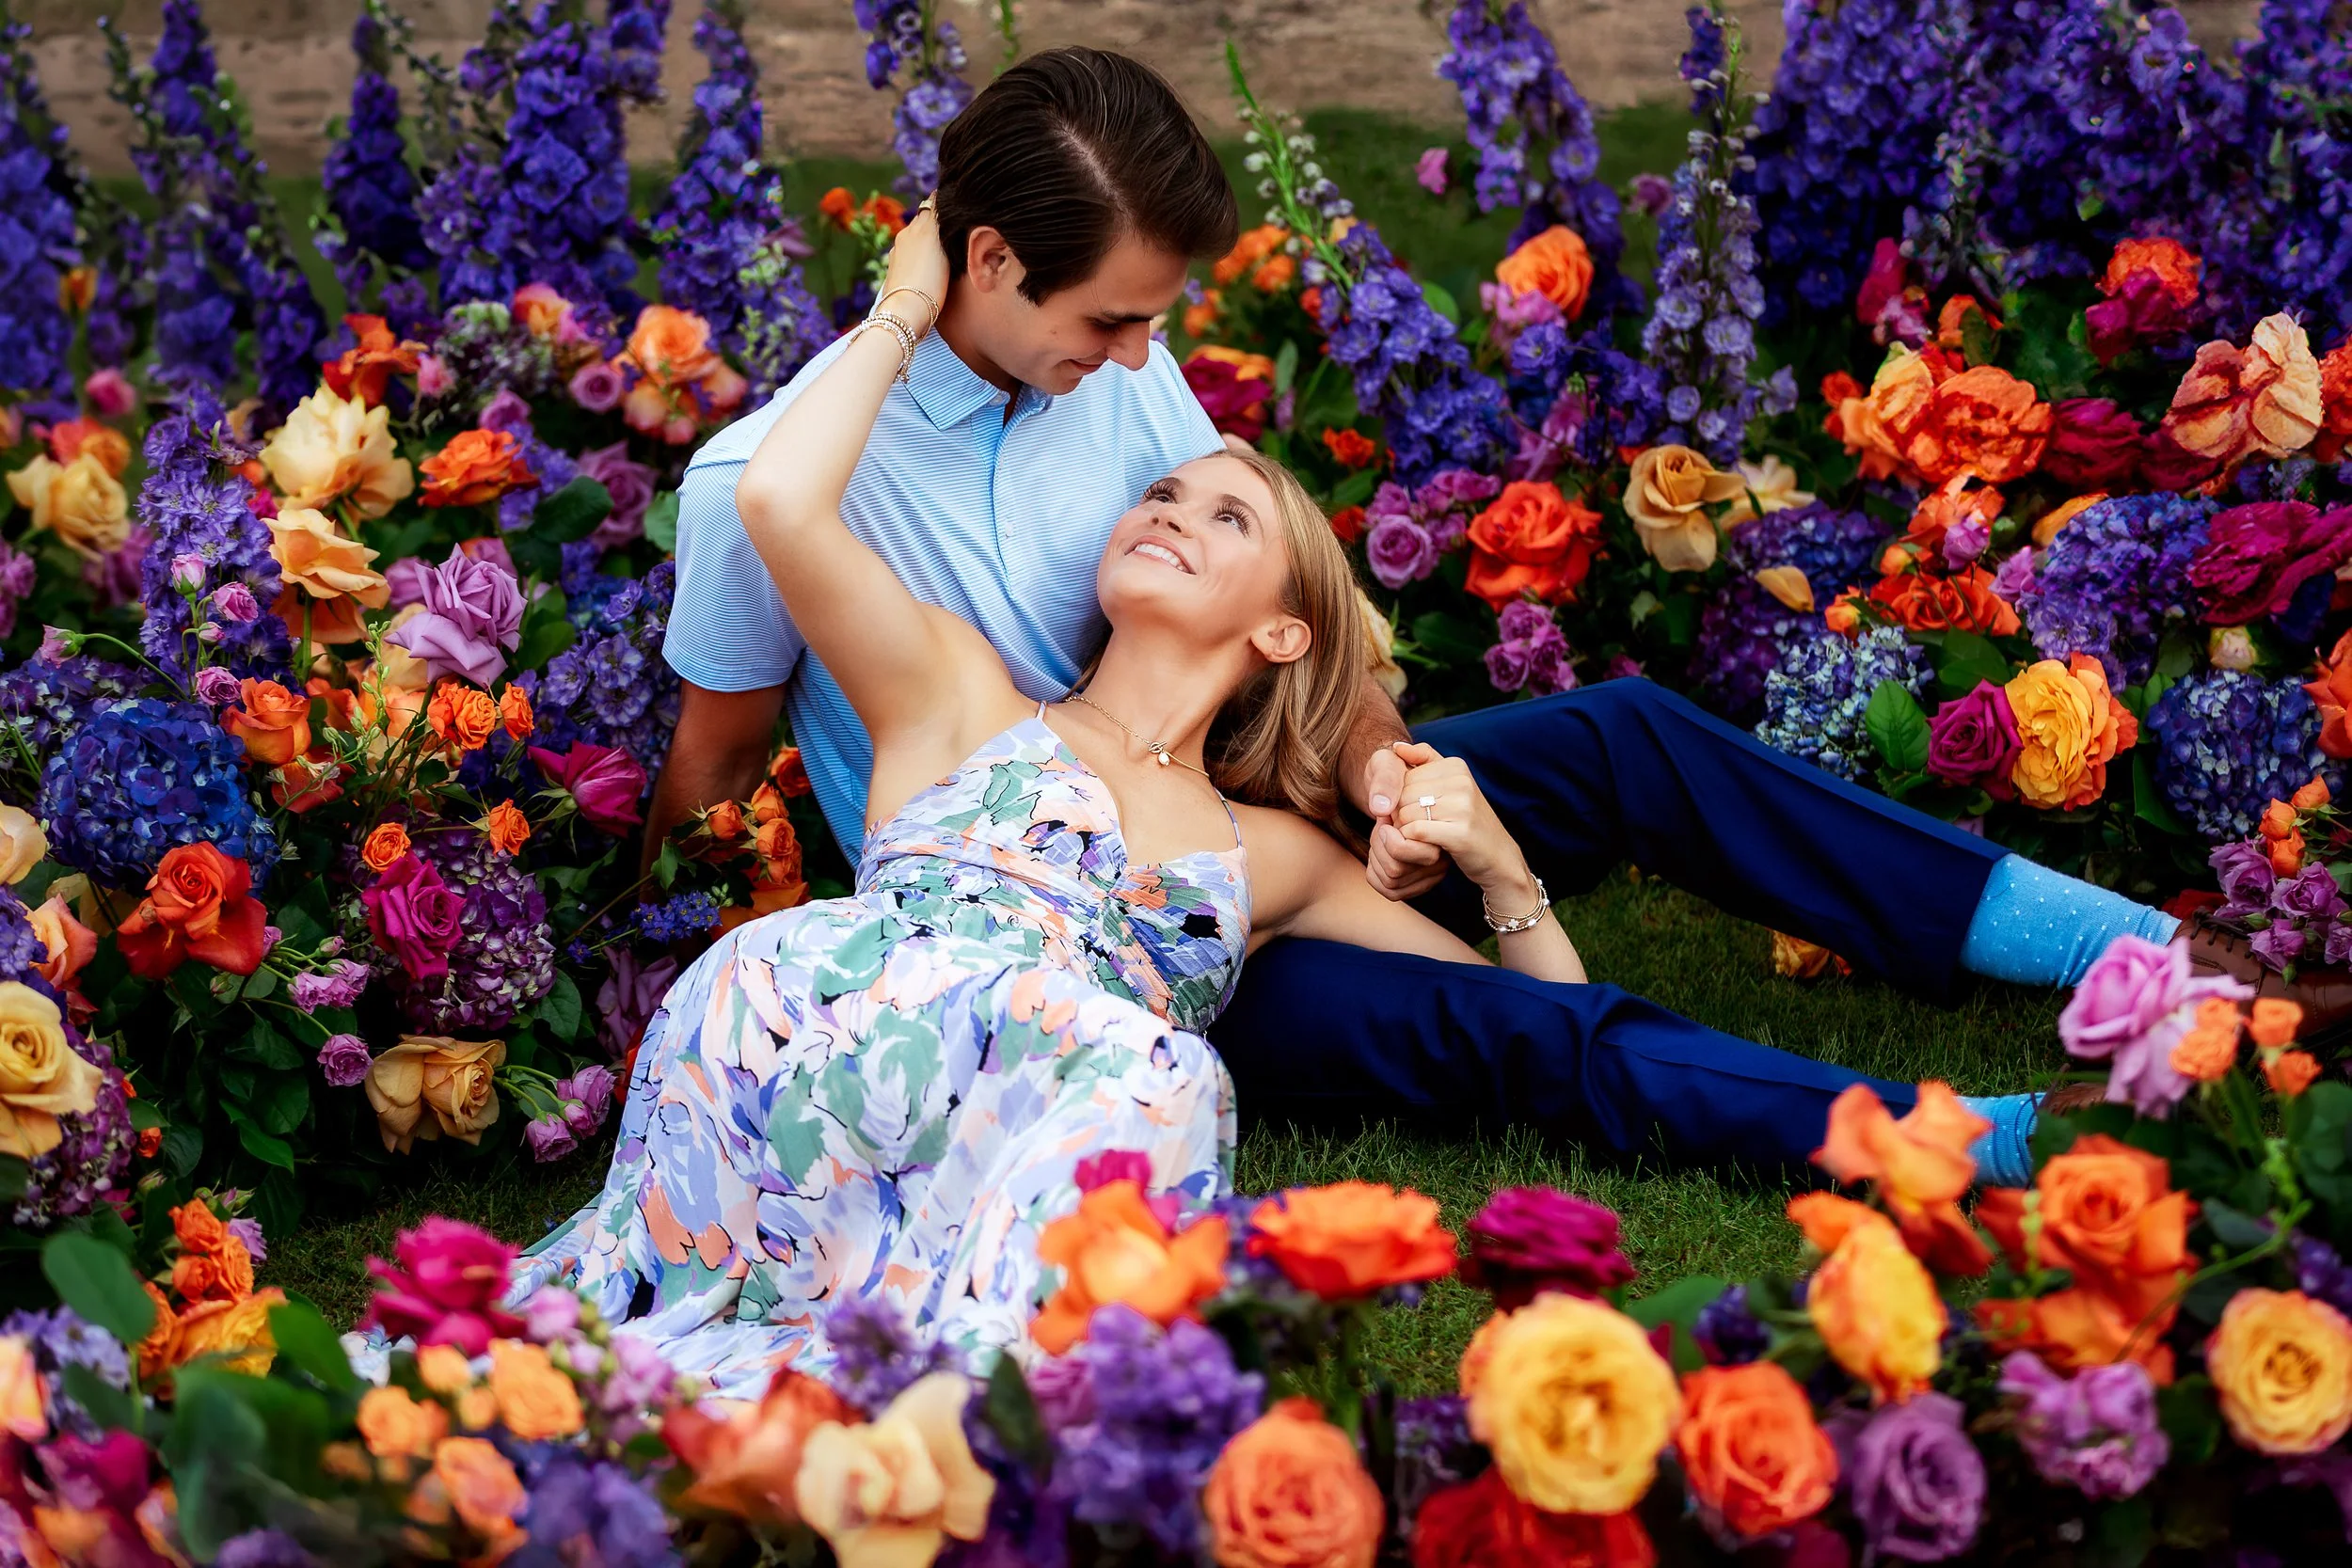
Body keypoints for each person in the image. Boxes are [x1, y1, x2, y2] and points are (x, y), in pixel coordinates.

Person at [649, 46, 2315, 1188]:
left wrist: (1389, 781)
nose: (1146, 365)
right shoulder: (770, 482)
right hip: (1117, 926)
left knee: (1627, 734)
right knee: (1487, 1020)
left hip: (1258, 780)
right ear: (984, 263)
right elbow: (712, 776)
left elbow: (1288, 601)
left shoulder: (1122, 389)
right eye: (1109, 320)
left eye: (1158, 319)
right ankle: (1990, 1138)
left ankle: (2149, 956)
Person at [520, 203, 1588, 1397]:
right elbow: (776, 501)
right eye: (1164, 496)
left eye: (1224, 515)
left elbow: (1542, 1031)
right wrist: (906, 308)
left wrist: (1499, 869)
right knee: (1155, 1074)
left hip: (1035, 1111)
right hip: (810, 1028)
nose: (1171, 512)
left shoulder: (1270, 854)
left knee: (1162, 1076)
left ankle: (941, 1397)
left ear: (1283, 629)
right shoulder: (963, 693)